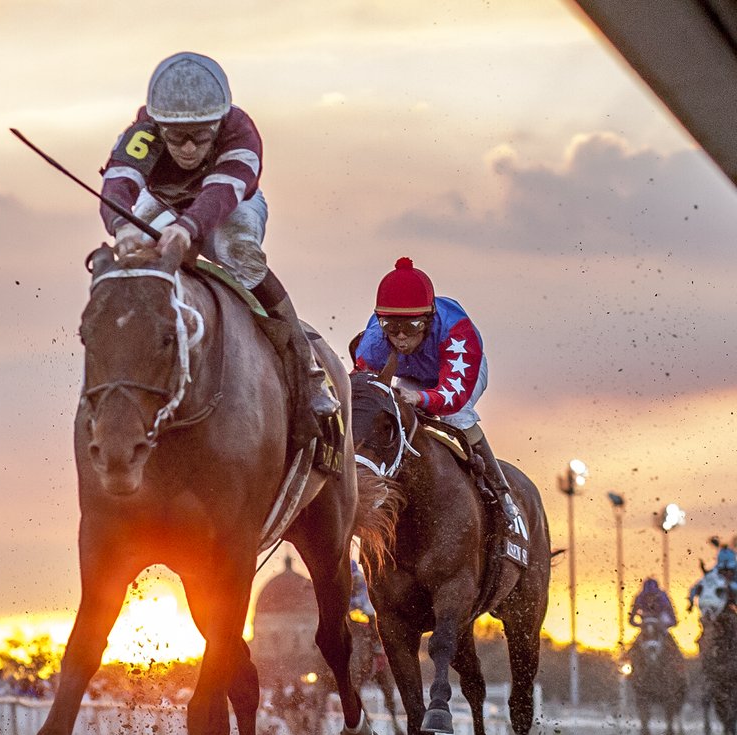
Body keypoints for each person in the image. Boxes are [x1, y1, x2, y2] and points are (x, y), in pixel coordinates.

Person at [99, 51, 335, 441]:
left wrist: (187, 228)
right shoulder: (144, 131)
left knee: (238, 251)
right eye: (177, 137)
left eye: (201, 136)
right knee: (135, 248)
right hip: (164, 201)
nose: (189, 148)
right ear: (159, 127)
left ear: (219, 124)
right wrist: (121, 226)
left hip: (233, 204)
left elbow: (220, 195)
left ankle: (308, 371)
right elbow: (117, 182)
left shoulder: (241, 134)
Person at [353, 257, 528, 554]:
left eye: (412, 326)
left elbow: (452, 396)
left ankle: (501, 494)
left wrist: (420, 398)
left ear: (429, 319)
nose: (401, 337)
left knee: (457, 416)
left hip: (458, 376)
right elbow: (363, 392)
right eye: (391, 326)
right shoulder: (374, 341)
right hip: (411, 374)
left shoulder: (458, 334)